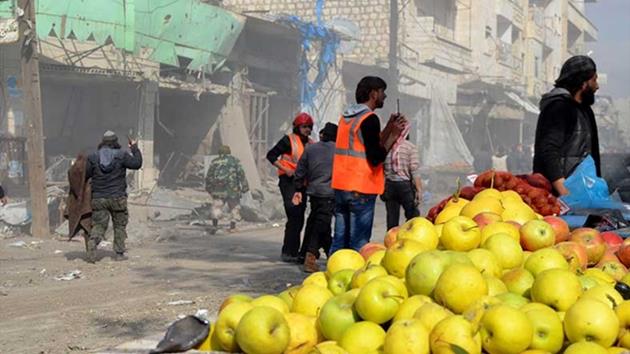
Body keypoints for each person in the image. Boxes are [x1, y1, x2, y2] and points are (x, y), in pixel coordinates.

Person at [330, 76, 406, 254]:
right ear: (373, 94)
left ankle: (332, 273)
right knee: (359, 244)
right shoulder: (370, 119)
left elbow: (367, 143)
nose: (384, 96)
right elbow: (376, 156)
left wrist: (388, 127)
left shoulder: (346, 118)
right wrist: (394, 136)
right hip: (361, 188)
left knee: (339, 242)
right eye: (382, 92)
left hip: (341, 186)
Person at [533, 55, 600, 196]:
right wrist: (565, 193)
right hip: (556, 198)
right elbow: (549, 151)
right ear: (583, 84)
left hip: (581, 195)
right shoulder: (558, 107)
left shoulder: (585, 111)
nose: (597, 86)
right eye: (594, 80)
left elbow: (593, 156)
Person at [85, 131, 142, 263]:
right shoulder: (122, 155)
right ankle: (119, 254)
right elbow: (137, 164)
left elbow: (86, 175)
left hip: (99, 198)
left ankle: (93, 241)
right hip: (118, 198)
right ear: (116, 142)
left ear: (102, 142)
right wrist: (134, 147)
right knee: (119, 225)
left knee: (99, 225)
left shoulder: (93, 157)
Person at [266, 113, 314, 263]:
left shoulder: (311, 144)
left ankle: (295, 251)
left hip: (302, 184)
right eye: (304, 127)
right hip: (289, 181)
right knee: (294, 215)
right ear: (297, 127)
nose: (307, 129)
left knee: (299, 217)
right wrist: (285, 169)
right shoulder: (289, 140)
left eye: (309, 127)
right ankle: (288, 251)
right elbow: (271, 155)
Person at [292, 123, 338, 273]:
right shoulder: (338, 150)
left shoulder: (310, 149)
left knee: (315, 222)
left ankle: (307, 253)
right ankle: (310, 257)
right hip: (329, 194)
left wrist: (299, 188)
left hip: (314, 193)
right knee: (321, 225)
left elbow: (300, 170)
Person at [382, 134, 421, 230]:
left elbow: (382, 168)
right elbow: (414, 170)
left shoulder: (387, 146)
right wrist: (419, 189)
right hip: (405, 186)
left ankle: (391, 241)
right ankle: (412, 237)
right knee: (413, 217)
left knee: (392, 218)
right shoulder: (410, 147)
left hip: (389, 185)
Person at [205, 145, 249, 231]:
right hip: (233, 189)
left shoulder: (215, 162)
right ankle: (232, 227)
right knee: (234, 207)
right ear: (229, 151)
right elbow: (241, 175)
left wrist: (209, 188)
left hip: (218, 189)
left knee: (217, 207)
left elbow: (209, 176)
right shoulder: (235, 161)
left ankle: (214, 225)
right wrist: (245, 187)